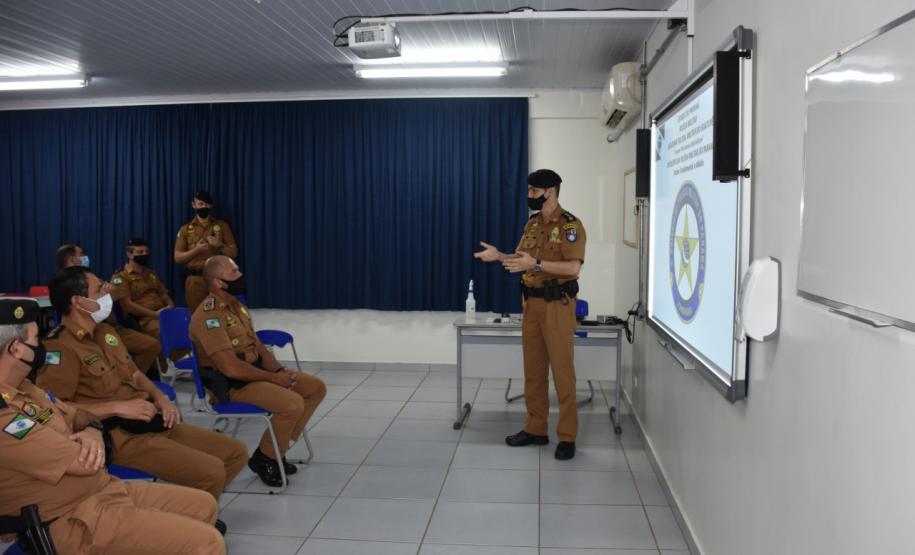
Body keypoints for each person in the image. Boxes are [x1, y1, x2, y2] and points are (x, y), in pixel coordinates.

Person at [0, 297, 225, 555]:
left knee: (204, 506)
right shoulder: (4, 415)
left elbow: (78, 415)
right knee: (207, 543)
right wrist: (89, 435)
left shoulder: (26, 388)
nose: (42, 345)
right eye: (36, 338)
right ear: (16, 349)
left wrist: (93, 429)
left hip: (104, 490)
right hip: (70, 519)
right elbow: (85, 463)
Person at [36, 266, 248, 500]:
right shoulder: (60, 347)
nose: (108, 293)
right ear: (78, 302)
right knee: (212, 471)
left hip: (150, 420)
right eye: (99, 289)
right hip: (120, 436)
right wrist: (117, 407)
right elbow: (55, 407)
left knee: (235, 453)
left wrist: (162, 398)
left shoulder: (106, 332)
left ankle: (192, 505)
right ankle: (194, 516)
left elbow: (135, 374)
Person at [474, 169, 587, 460]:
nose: (529, 196)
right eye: (529, 191)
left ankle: (567, 436)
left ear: (550, 191)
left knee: (563, 373)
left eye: (534, 192)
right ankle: (536, 429)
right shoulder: (533, 223)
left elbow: (573, 268)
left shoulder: (570, 225)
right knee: (533, 373)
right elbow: (520, 259)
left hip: (558, 306)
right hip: (532, 305)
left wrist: (536, 263)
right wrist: (499, 256)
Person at [190, 255, 326, 487]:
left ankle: (273, 450)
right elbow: (230, 368)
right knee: (292, 404)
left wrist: (281, 371)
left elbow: (258, 347)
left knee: (315, 388)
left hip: (255, 373)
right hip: (231, 385)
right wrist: (274, 379)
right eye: (234, 273)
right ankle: (267, 458)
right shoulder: (209, 316)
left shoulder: (237, 305)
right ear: (217, 282)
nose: (240, 276)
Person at [57, 244, 162, 379]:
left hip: (108, 328)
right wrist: (105, 294)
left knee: (152, 345)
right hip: (85, 333)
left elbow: (116, 291)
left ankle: (133, 381)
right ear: (72, 259)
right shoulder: (62, 284)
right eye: (82, 254)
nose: (85, 257)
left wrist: (107, 293)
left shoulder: (91, 276)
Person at [174, 191, 237, 312]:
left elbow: (233, 253)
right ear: (194, 204)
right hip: (195, 280)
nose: (204, 207)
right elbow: (177, 257)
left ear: (211, 206)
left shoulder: (222, 225)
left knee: (221, 315)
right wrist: (196, 250)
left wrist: (220, 245)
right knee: (197, 316)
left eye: (207, 204)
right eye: (200, 204)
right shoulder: (185, 229)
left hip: (218, 279)